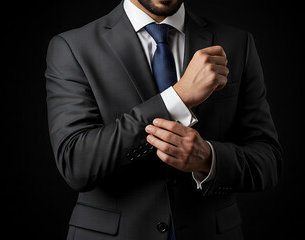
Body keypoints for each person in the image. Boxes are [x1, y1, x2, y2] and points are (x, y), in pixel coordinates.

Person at [45, 0, 282, 239]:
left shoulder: (237, 43)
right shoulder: (73, 47)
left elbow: (268, 161)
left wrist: (208, 159)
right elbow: (76, 163)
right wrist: (178, 97)